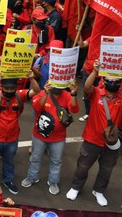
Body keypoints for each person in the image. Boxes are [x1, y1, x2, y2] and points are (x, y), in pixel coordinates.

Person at [66, 60, 122, 206]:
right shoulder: (96, 93)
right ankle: (75, 187)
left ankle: (99, 191)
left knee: (107, 169)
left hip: (112, 142)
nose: (113, 83)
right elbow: (87, 86)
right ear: (104, 80)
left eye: (117, 81)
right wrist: (95, 71)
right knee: (83, 166)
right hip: (92, 140)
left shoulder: (120, 97)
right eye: (111, 79)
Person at [0, 71, 40, 195]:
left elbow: (36, 91)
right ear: (1, 87)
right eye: (6, 88)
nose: (9, 90)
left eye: (12, 88)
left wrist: (31, 78)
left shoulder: (20, 96)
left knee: (9, 161)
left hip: (12, 138)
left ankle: (7, 180)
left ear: (16, 88)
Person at [22, 82, 79, 195]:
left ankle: (53, 182)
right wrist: (45, 94)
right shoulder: (41, 93)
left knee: (56, 161)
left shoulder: (67, 96)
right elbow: (36, 108)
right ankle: (32, 177)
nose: (57, 87)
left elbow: (74, 109)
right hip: (39, 136)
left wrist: (73, 95)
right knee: (35, 158)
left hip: (58, 139)